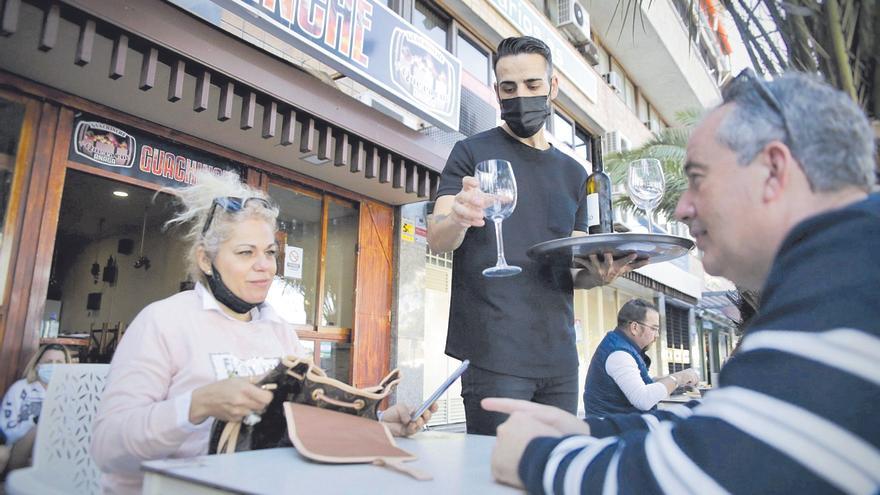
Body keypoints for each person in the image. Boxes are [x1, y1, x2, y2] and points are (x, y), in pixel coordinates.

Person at [482, 70, 880, 493]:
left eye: (698, 179)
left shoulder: (850, 287)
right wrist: (586, 431)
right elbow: (732, 424)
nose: (684, 208)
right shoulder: (844, 268)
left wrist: (533, 457)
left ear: (773, 171)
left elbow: (712, 475)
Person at [92, 171, 434, 494]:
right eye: (246, 253)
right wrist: (197, 404)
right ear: (206, 260)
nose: (264, 265)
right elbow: (107, 447)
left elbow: (308, 428)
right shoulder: (163, 322)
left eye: (270, 252)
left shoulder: (279, 331)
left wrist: (380, 424)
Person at [427, 35, 643, 435]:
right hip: (494, 353)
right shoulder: (470, 153)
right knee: (497, 475)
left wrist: (598, 275)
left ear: (552, 88)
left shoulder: (575, 173)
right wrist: (458, 215)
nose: (520, 96)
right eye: (508, 88)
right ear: (497, 91)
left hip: (560, 358)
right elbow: (438, 237)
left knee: (552, 473)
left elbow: (574, 271)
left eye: (532, 85)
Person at [582, 299, 699, 417]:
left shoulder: (621, 346)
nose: (657, 335)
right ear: (635, 327)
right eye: (654, 329)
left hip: (618, 425)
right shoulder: (619, 354)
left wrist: (670, 380)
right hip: (611, 431)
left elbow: (638, 385)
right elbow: (643, 399)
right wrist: (678, 378)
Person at [0, 344, 71, 473]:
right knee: (41, 428)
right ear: (38, 365)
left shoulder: (72, 394)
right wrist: (33, 428)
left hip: (56, 452)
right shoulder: (20, 389)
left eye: (59, 362)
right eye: (49, 362)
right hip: (19, 450)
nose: (54, 366)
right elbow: (7, 429)